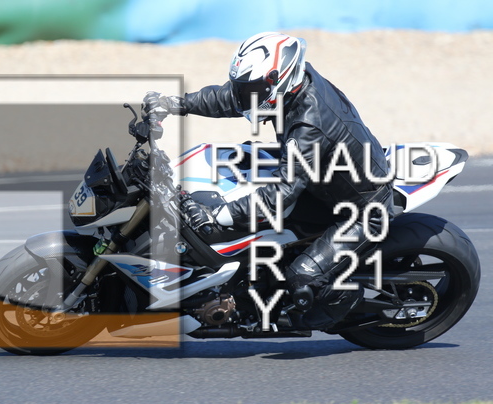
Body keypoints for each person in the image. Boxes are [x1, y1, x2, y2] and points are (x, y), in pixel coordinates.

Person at [142, 32, 394, 330]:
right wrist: (175, 104)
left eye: (253, 88)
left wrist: (219, 214)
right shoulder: (290, 85)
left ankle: (336, 305)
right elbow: (230, 98)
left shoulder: (309, 123)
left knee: (302, 277)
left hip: (361, 210)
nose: (246, 95)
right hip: (322, 180)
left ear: (279, 78)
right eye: (245, 87)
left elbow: (283, 191)